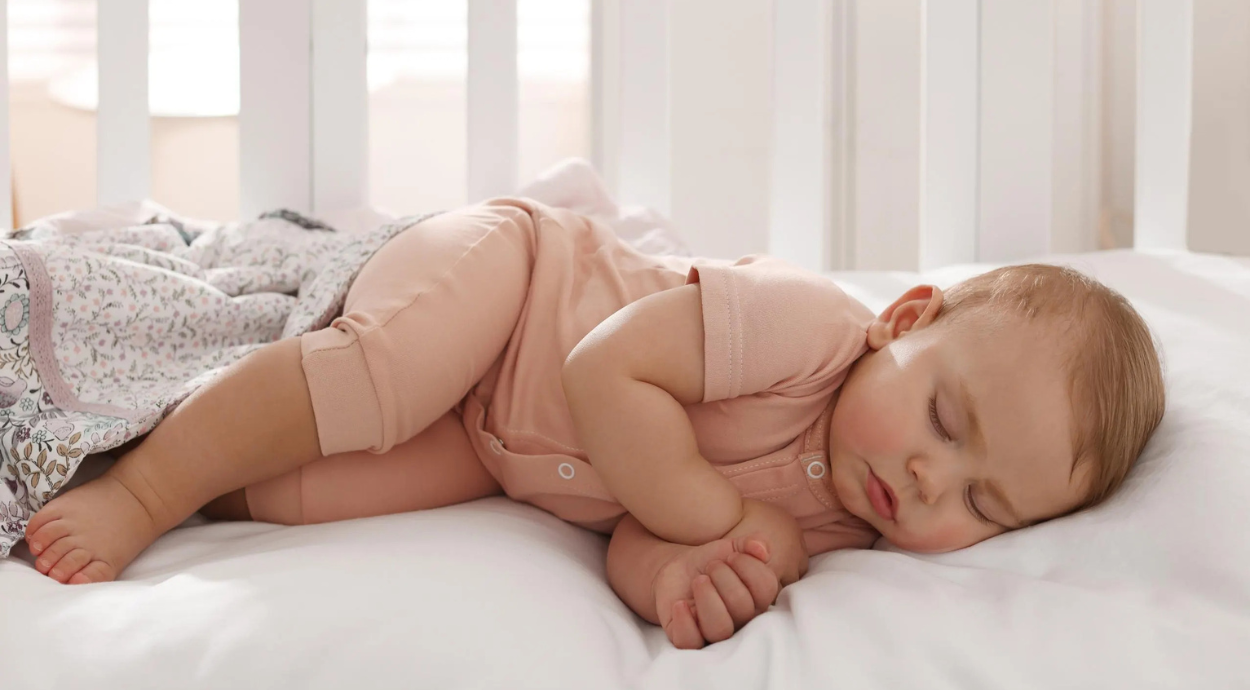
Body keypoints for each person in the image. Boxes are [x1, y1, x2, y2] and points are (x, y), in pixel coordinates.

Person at [21, 197, 1166, 649]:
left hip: (500, 449)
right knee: (371, 381)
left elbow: (626, 537)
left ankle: (147, 448)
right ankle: (145, 488)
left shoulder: (835, 531)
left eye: (980, 503)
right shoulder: (806, 328)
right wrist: (712, 515)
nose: (925, 479)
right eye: (945, 420)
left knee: (298, 495)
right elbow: (608, 365)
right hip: (511, 291)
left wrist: (681, 580)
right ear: (902, 321)